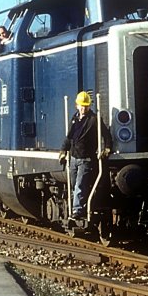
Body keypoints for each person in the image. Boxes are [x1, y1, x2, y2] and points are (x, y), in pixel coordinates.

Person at [59, 91, 111, 220]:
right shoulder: (74, 119)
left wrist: (107, 148)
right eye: (82, 106)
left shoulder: (94, 119)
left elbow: (106, 135)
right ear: (77, 105)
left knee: (79, 185)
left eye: (86, 106)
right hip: (73, 158)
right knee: (73, 184)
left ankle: (77, 210)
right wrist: (63, 151)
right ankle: (76, 207)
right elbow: (69, 137)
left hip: (86, 159)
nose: (83, 108)